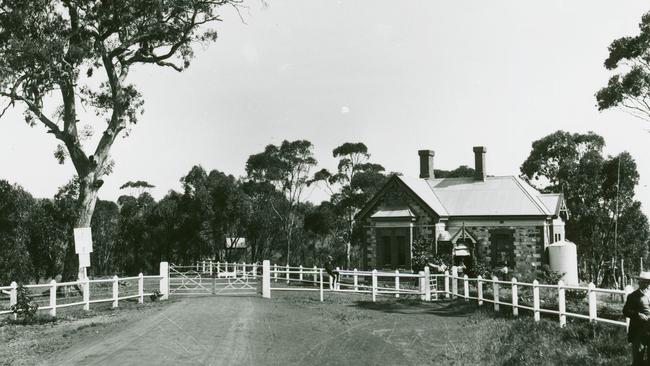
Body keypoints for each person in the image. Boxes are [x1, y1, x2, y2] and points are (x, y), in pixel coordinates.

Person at [623, 271, 650, 366]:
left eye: (648, 282)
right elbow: (625, 311)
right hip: (638, 331)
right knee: (638, 359)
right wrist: (638, 314)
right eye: (644, 281)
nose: (647, 284)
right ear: (639, 282)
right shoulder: (633, 296)